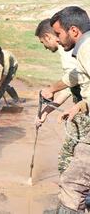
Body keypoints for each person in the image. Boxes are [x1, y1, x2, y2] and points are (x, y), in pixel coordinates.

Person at [40, 6, 90, 213]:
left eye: (59, 34)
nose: (58, 39)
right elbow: (76, 76)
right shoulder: (83, 49)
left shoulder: (87, 49)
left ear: (74, 31)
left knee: (72, 183)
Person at [35, 18, 89, 174]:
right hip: (82, 104)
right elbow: (69, 88)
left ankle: (69, 193)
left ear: (48, 36)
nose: (45, 47)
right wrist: (46, 112)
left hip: (85, 107)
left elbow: (75, 78)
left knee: (68, 157)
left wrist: (51, 89)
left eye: (42, 42)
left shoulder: (66, 51)